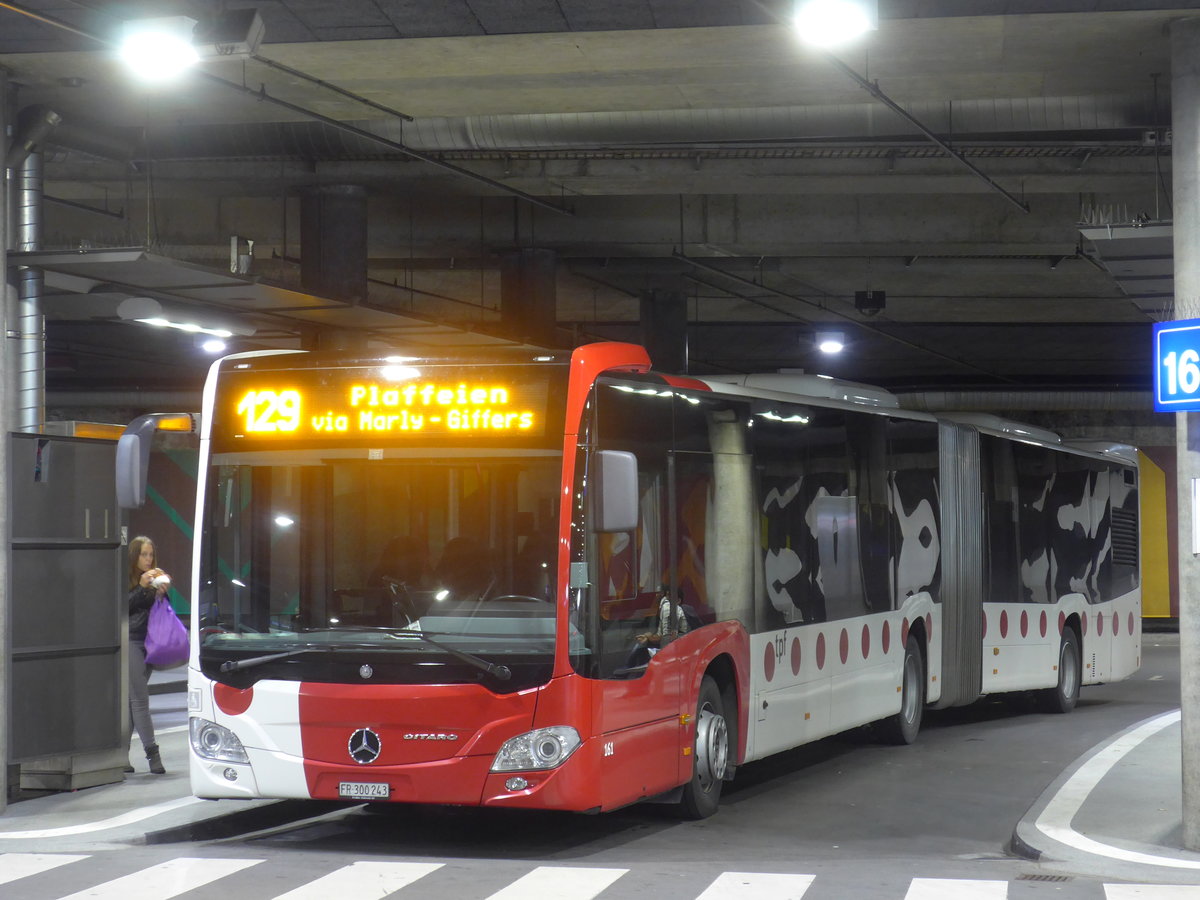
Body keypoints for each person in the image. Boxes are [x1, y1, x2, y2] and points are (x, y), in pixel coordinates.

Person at [126, 535, 169, 775]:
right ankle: (153, 753)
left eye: (151, 554)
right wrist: (141, 587)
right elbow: (122, 608)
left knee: (132, 703)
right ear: (134, 556)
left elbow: (162, 614)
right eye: (144, 554)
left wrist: (161, 592)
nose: (148, 559)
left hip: (151, 642)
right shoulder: (126, 578)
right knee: (140, 700)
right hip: (131, 640)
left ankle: (120, 756)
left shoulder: (152, 580)